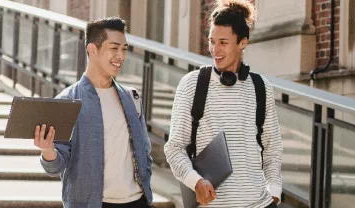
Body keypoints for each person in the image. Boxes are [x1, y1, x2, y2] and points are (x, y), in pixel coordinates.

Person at [164, 0, 283, 207]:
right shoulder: (193, 84)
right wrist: (196, 181)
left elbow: (272, 149)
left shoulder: (260, 87)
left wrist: (274, 192)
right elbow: (174, 148)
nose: (215, 49)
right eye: (212, 41)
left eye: (223, 42)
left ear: (242, 43)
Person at [34, 17, 153, 208]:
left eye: (124, 49)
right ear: (92, 49)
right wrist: (47, 149)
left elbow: (144, 151)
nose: (121, 55)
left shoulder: (132, 98)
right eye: (114, 48)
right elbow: (55, 166)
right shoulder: (68, 101)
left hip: (137, 201)